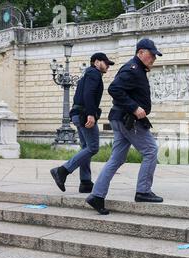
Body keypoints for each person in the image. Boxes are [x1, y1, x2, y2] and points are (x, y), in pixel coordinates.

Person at [86, 38, 163, 215]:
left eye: (155, 56)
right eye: (151, 55)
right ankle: (143, 191)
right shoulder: (133, 69)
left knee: (116, 158)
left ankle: (96, 195)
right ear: (141, 52)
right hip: (128, 120)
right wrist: (135, 108)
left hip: (120, 118)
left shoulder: (137, 69)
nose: (153, 59)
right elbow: (114, 89)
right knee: (151, 150)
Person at [50, 53, 114, 193]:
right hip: (85, 114)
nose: (108, 66)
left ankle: (85, 182)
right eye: (106, 63)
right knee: (93, 148)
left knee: (86, 148)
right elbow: (89, 94)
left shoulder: (86, 75)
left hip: (78, 114)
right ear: (96, 62)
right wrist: (91, 114)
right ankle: (62, 171)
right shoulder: (94, 73)